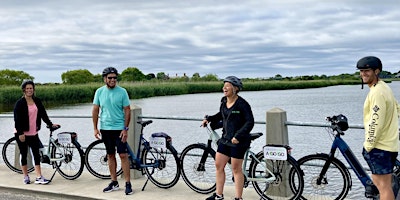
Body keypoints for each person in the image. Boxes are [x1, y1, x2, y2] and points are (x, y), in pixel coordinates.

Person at [202, 76, 254, 200]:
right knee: (219, 165)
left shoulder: (242, 104)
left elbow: (250, 122)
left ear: (235, 88)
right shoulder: (224, 101)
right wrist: (209, 119)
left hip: (238, 141)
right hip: (225, 139)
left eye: (228, 85)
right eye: (224, 85)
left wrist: (238, 136)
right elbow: (221, 114)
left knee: (236, 169)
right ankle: (219, 195)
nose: (224, 87)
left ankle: (238, 198)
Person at [357, 56, 400, 200]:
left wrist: (369, 145)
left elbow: (376, 121)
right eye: (361, 71)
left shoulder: (377, 92)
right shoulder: (384, 87)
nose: (363, 74)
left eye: (367, 71)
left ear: (377, 71)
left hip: (380, 147)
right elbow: (397, 108)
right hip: (389, 144)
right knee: (385, 185)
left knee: (383, 187)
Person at [92, 67, 133, 195]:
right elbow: (95, 110)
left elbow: (127, 110)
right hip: (105, 128)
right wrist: (95, 127)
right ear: (105, 79)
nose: (112, 80)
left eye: (115, 78)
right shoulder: (99, 92)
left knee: (123, 155)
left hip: (119, 129)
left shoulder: (122, 92)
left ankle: (128, 183)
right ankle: (114, 182)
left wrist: (125, 129)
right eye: (110, 78)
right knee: (110, 155)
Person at [14, 80, 59, 185]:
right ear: (24, 90)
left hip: (33, 132)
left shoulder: (37, 101)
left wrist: (50, 124)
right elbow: (17, 119)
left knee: (36, 154)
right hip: (22, 133)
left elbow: (43, 114)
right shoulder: (19, 103)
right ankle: (26, 176)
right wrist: (20, 133)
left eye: (31, 88)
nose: (29, 90)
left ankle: (39, 177)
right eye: (27, 88)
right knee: (24, 154)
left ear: (34, 89)